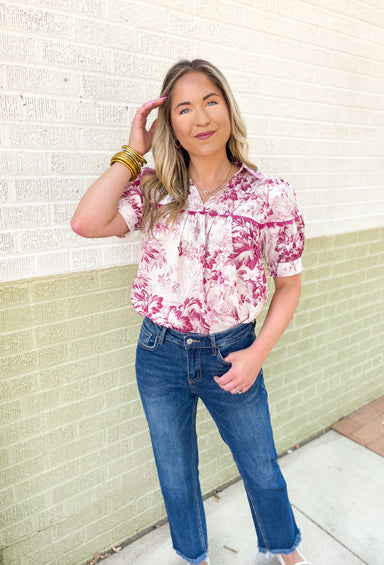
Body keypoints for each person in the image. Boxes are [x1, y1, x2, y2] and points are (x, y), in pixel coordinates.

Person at [71, 59, 310, 565]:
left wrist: (256, 354)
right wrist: (134, 153)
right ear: (171, 126)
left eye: (210, 101)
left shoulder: (270, 194)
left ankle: (285, 552)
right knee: (175, 472)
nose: (200, 116)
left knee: (261, 465)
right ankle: (192, 556)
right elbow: (87, 222)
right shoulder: (157, 190)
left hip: (234, 353)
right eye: (184, 108)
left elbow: (289, 286)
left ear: (227, 108)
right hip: (159, 354)